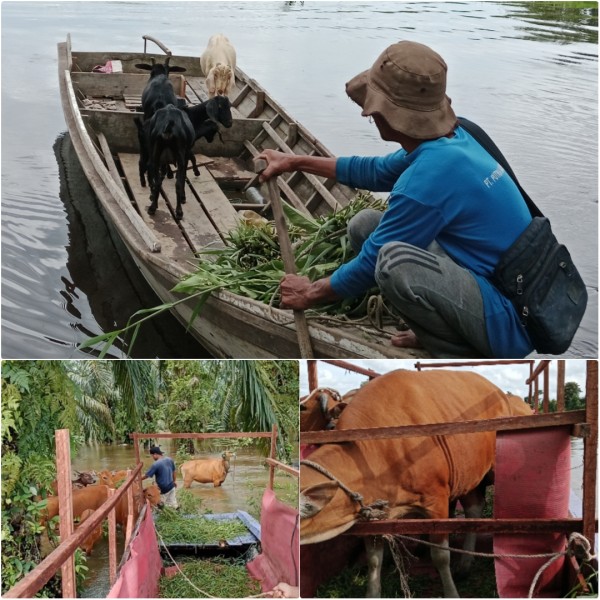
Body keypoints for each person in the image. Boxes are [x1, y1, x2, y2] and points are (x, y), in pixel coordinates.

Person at [257, 40, 534, 359]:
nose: (369, 114)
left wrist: (309, 292)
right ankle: (441, 326)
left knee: (391, 263)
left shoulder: (432, 175)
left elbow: (371, 263)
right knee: (364, 225)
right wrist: (295, 161)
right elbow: (375, 172)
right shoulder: (454, 137)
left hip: (509, 320)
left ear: (387, 113)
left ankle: (453, 350)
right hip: (491, 284)